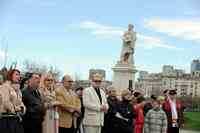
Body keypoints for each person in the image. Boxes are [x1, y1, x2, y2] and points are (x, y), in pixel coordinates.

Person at [0, 69, 26, 133]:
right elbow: (6, 102)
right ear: (10, 75)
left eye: (19, 75)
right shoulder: (4, 86)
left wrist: (23, 108)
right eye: (16, 74)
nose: (18, 76)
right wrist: (16, 109)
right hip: (7, 119)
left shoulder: (18, 89)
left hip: (17, 119)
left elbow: (21, 102)